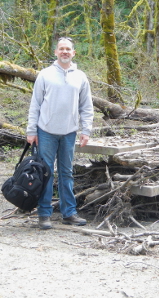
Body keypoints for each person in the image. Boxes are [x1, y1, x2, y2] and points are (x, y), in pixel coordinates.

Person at [26, 37, 94, 230]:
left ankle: (69, 212)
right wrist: (31, 130)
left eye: (68, 49)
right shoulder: (45, 75)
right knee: (45, 173)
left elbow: (86, 106)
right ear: (55, 52)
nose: (64, 52)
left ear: (73, 53)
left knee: (66, 173)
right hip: (45, 131)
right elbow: (35, 104)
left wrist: (86, 130)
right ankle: (44, 214)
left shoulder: (80, 76)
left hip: (69, 132)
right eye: (61, 49)